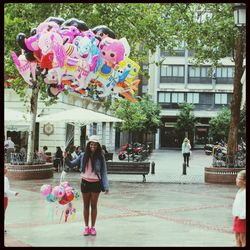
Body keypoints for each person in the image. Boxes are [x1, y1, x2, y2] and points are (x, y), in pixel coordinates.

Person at [64, 135, 109, 236]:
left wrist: (106, 186)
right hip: (85, 183)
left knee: (93, 206)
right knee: (85, 206)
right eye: (91, 144)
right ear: (88, 145)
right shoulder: (83, 155)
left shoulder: (100, 156)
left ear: (98, 146)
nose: (93, 146)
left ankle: (92, 227)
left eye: (95, 145)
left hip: (96, 183)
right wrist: (66, 157)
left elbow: (104, 172)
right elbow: (72, 164)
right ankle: (86, 227)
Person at [232, 170, 246, 247]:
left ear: (245, 181)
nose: (236, 179)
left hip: (243, 218)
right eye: (237, 177)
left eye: (239, 178)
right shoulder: (240, 190)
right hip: (238, 217)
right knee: (237, 237)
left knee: (243, 239)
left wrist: (242, 216)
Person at [4, 164, 19, 233]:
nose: (7, 168)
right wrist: (14, 193)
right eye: (5, 167)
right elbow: (6, 190)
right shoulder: (5, 179)